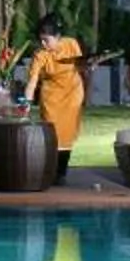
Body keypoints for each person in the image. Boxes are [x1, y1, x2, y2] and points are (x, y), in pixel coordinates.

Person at [24, 17, 88, 177]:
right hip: (51, 97)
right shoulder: (40, 55)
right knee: (51, 133)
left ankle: (61, 172)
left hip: (73, 94)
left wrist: (89, 66)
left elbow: (80, 66)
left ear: (58, 36)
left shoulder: (71, 44)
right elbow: (32, 82)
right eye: (41, 40)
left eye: (46, 40)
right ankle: (50, 171)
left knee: (68, 134)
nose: (44, 44)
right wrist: (26, 102)